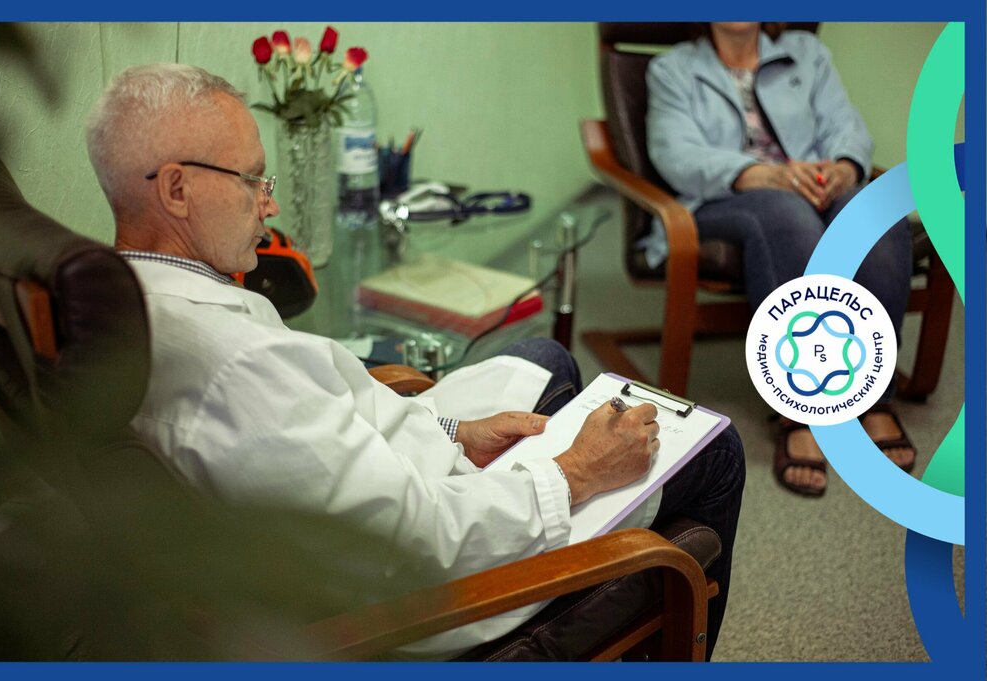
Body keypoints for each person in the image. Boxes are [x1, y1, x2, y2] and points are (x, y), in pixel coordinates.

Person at [85, 63, 745, 660]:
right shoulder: (234, 368)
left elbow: (330, 428)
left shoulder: (132, 300)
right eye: (253, 179)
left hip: (398, 482)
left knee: (546, 359)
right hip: (429, 594)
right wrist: (578, 472)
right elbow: (411, 541)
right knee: (714, 451)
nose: (271, 203)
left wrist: (455, 432)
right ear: (177, 190)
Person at [646, 22, 915, 497]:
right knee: (789, 218)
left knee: (874, 211)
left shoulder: (806, 53)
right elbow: (676, 154)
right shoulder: (673, 69)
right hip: (725, 196)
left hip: (814, 184)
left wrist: (843, 167)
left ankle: (873, 395)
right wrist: (759, 174)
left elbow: (844, 125)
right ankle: (799, 410)